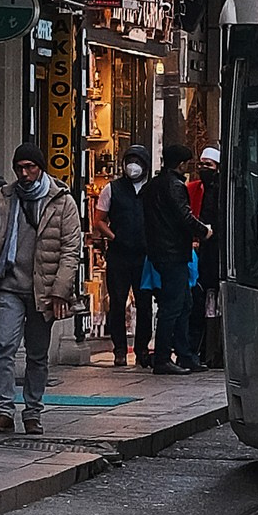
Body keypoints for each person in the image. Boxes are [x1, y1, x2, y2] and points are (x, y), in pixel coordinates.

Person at [0, 144, 82, 438]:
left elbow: (71, 249)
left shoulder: (62, 201)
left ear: (41, 168)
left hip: (44, 290)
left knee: (38, 354)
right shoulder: (5, 198)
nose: (25, 174)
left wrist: (59, 290)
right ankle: (4, 411)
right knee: (3, 346)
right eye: (19, 168)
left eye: (30, 167)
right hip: (10, 285)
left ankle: (32, 412)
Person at [143, 143, 202, 371]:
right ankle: (163, 357)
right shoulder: (175, 186)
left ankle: (184, 354)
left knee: (183, 303)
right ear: (181, 164)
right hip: (173, 253)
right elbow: (183, 217)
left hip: (161, 252)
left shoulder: (153, 186)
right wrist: (203, 230)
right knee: (173, 305)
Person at [103, 153, 152, 368]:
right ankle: (119, 350)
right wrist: (115, 237)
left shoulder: (152, 190)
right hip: (118, 255)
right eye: (129, 161)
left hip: (144, 255)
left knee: (144, 303)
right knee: (117, 302)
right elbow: (99, 220)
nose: (133, 166)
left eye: (138, 162)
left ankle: (142, 349)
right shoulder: (111, 189)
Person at [195, 144, 225, 363]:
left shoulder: (222, 191)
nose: (204, 168)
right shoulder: (195, 189)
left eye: (209, 165)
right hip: (202, 253)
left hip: (217, 253)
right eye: (202, 164)